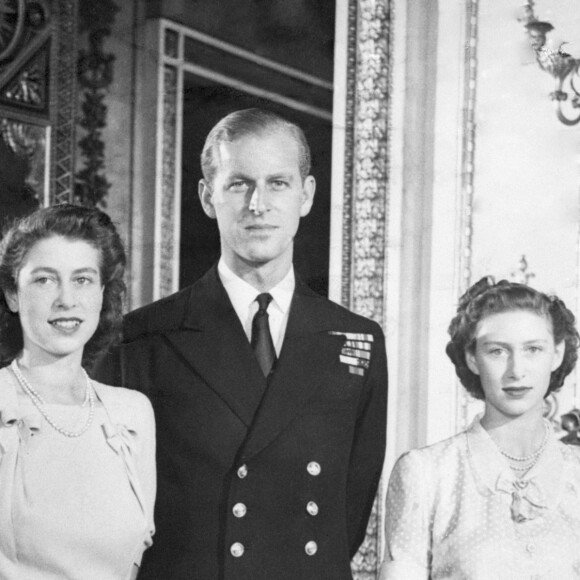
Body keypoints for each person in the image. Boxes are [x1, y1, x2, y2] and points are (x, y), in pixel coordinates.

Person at [95, 108, 388, 579]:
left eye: (278, 183)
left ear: (306, 195)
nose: (258, 203)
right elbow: (116, 511)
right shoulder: (142, 339)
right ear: (208, 197)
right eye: (238, 184)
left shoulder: (357, 339)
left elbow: (351, 509)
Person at [379, 277, 580, 579]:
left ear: (558, 353)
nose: (516, 371)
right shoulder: (426, 475)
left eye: (533, 349)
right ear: (472, 358)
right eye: (497, 351)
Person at [0, 204, 156, 580]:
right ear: (12, 295)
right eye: (45, 280)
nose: (66, 300)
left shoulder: (131, 414)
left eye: (82, 279)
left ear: (102, 292)